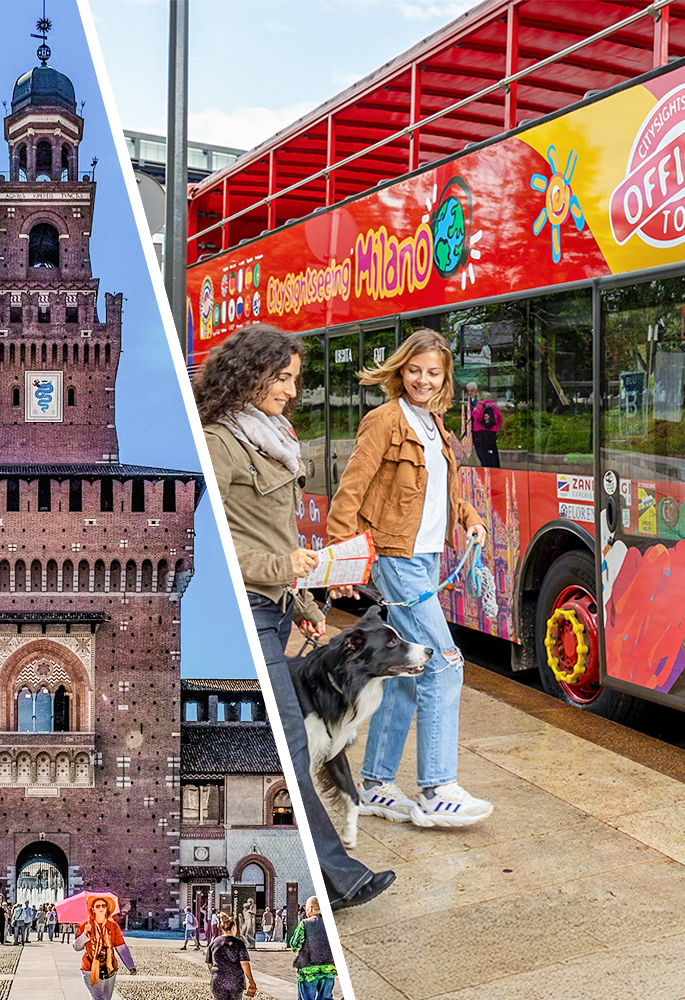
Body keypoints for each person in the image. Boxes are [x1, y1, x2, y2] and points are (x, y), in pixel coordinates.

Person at [195, 323, 396, 911]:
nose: (290, 390)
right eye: (281, 378)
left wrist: (305, 602)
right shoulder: (219, 442)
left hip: (277, 607)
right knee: (289, 746)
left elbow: (276, 534)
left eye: (294, 379)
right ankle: (340, 879)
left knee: (287, 748)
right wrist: (281, 566)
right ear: (249, 374)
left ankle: (330, 880)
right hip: (252, 610)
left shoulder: (271, 436)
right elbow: (212, 539)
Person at [328, 329, 493, 829]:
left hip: (426, 558)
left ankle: (375, 784)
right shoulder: (384, 420)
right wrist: (341, 559)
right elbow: (350, 490)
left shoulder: (434, 424)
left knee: (405, 674)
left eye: (433, 372)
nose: (423, 379)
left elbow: (443, 493)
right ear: (401, 370)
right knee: (443, 662)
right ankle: (437, 789)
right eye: (415, 370)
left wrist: (469, 518)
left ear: (445, 378)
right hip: (397, 556)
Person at [72, 895, 137, 999]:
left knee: (106, 998)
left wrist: (130, 966)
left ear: (107, 908)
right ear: (93, 909)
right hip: (90, 968)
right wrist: (85, 934)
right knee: (96, 997)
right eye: (97, 906)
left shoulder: (113, 926)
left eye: (103, 905)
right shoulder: (85, 925)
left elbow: (121, 947)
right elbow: (76, 947)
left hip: (109, 968)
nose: (101, 908)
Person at [289, 897, 336, 1000]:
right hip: (329, 969)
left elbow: (294, 944)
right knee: (326, 998)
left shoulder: (305, 924)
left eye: (306, 908)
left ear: (310, 908)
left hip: (308, 969)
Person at [206, 911, 257, 1000]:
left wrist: (216, 974)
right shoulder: (239, 944)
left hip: (218, 980)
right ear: (234, 928)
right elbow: (244, 963)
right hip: (235, 981)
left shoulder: (214, 943)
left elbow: (209, 963)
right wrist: (251, 981)